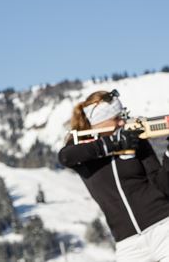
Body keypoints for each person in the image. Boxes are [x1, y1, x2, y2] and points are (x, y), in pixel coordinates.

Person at [58, 90, 169, 262]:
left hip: (163, 227)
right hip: (128, 244)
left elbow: (163, 185)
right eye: (116, 118)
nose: (122, 122)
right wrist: (114, 144)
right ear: (99, 123)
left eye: (122, 116)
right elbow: (65, 156)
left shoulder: (135, 140)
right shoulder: (81, 149)